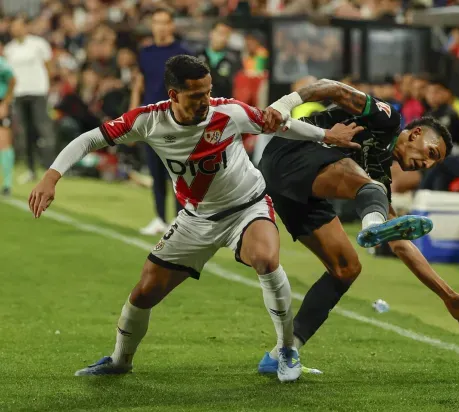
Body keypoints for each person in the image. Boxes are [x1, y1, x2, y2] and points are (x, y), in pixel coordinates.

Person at [28, 56, 364, 382]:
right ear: (173, 95)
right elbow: (91, 138)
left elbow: (278, 124)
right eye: (196, 95)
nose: (205, 100)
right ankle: (119, 360)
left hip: (247, 207)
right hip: (196, 218)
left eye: (208, 91)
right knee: (144, 293)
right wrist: (52, 176)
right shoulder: (148, 120)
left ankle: (287, 349)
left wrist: (326, 137)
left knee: (265, 258)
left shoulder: (228, 112)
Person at [256, 78, 459, 373]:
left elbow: (401, 244)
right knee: (372, 190)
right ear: (415, 134)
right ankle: (371, 225)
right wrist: (285, 104)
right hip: (290, 152)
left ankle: (283, 353)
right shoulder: (386, 118)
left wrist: (447, 295)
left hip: (295, 189)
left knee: (346, 268)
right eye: (431, 153)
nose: (427, 165)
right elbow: (332, 87)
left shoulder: (380, 174)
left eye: (433, 163)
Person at [130, 7, 195, 236]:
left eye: (164, 22)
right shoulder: (145, 53)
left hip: (175, 119)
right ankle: (159, 218)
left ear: (172, 25)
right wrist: (133, 114)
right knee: (156, 171)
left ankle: (180, 220)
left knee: (177, 172)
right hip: (151, 119)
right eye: (156, 22)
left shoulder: (182, 54)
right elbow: (139, 84)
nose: (160, 27)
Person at [4, 15, 56, 183]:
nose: (15, 29)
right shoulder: (10, 49)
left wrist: (48, 86)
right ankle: (31, 169)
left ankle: (51, 169)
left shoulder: (39, 44)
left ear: (26, 27)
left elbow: (49, 66)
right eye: (13, 26)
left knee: (44, 130)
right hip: (19, 94)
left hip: (38, 92)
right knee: (25, 133)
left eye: (18, 25)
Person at [0, 44, 15, 196]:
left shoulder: (2, 64)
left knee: (4, 142)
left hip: (1, 103)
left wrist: (5, 102)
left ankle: (7, 184)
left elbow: (12, 80)